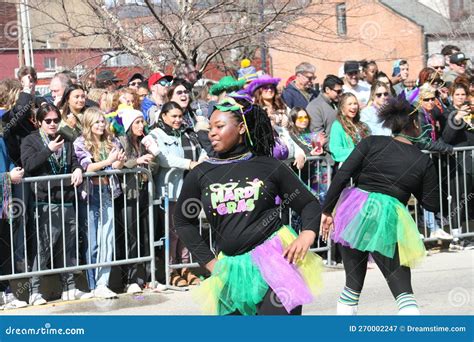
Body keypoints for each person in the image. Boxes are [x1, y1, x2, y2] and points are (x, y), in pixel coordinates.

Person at [173, 93, 323, 315]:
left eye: (219, 126)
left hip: (274, 263)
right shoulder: (201, 173)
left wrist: (307, 234)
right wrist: (210, 263)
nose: (211, 132)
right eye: (210, 127)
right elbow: (183, 221)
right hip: (229, 271)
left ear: (241, 128)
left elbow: (309, 203)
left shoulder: (268, 166)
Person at [321, 98, 440, 315]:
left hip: (354, 212)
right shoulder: (422, 160)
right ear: (413, 125)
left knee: (352, 286)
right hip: (388, 218)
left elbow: (342, 176)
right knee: (404, 293)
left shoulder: (371, 142)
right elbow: (432, 204)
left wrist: (327, 210)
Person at [21, 104, 93, 305]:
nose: (53, 124)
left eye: (56, 120)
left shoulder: (66, 138)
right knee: (43, 248)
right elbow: (28, 165)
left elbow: (74, 161)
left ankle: (69, 288)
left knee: (67, 249)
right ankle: (34, 291)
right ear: (39, 122)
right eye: (48, 121)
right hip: (45, 202)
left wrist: (78, 168)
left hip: (67, 201)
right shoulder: (31, 140)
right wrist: (48, 150)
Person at [149, 101, 206, 287]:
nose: (177, 120)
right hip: (168, 192)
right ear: (163, 116)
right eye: (173, 116)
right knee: (172, 233)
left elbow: (200, 149)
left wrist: (202, 159)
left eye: (180, 116)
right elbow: (164, 159)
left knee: (185, 232)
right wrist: (189, 164)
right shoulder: (156, 134)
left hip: (186, 190)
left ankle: (185, 267)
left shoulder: (183, 133)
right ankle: (171, 270)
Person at [74, 107, 125, 299]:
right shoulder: (80, 142)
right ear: (88, 124)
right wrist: (109, 161)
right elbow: (88, 167)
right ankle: (92, 284)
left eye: (102, 121)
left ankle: (103, 283)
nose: (101, 125)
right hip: (91, 194)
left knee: (108, 239)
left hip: (108, 191)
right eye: (96, 122)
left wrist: (118, 162)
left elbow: (116, 166)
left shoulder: (112, 141)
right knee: (93, 241)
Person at [118, 109, 157, 293]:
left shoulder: (144, 142)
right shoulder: (122, 141)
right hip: (128, 194)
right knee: (130, 237)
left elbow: (154, 168)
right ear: (129, 126)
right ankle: (131, 278)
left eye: (142, 121)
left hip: (144, 193)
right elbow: (121, 164)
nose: (141, 126)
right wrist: (138, 160)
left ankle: (149, 277)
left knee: (147, 235)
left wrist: (153, 156)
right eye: (137, 122)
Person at [0, 118, 28, 310]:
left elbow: (6, 159)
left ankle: (6, 292)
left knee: (4, 250)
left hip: (3, 204)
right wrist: (8, 177)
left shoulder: (0, 138)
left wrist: (12, 169)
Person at [329, 93, 370, 163]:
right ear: (342, 107)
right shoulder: (337, 126)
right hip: (349, 165)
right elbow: (336, 150)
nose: (353, 107)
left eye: (355, 103)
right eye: (350, 104)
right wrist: (358, 151)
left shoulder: (361, 125)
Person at [306, 74, 344, 144]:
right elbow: (318, 135)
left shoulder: (337, 103)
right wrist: (336, 149)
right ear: (327, 90)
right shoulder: (315, 107)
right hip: (329, 151)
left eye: (341, 91)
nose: (340, 94)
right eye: (338, 91)